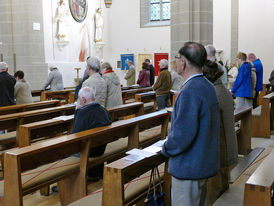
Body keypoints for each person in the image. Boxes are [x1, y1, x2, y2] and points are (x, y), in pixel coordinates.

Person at [162, 42, 220, 206]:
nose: (176, 61)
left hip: (188, 168)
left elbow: (183, 135)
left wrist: (166, 148)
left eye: (178, 58)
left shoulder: (189, 91)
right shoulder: (208, 86)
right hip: (202, 163)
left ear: (184, 62)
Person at [203, 60, 238, 206]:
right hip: (226, 146)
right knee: (222, 186)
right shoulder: (220, 89)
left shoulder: (214, 93)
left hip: (219, 149)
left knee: (215, 191)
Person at [73, 87, 112, 181]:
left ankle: (71, 183)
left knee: (61, 152)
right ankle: (95, 173)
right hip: (101, 148)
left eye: (79, 99)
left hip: (88, 151)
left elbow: (75, 136)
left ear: (83, 99)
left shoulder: (82, 112)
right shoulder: (104, 110)